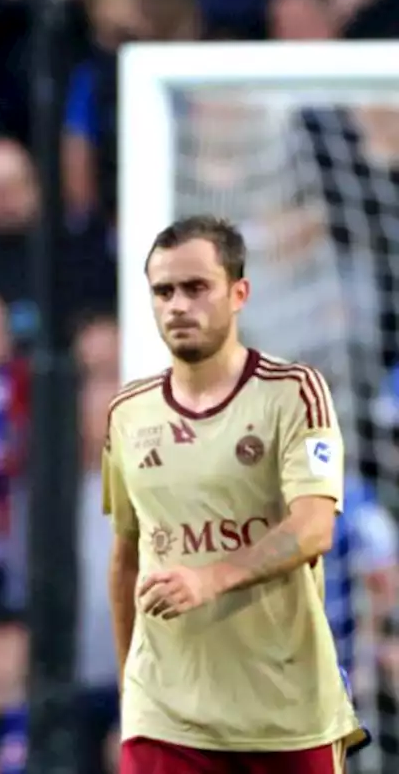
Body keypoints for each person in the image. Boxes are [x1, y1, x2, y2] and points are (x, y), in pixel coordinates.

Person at [104, 215, 366, 773]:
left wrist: (208, 578)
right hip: (167, 715)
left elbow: (315, 528)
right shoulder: (127, 413)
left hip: (285, 712)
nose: (177, 305)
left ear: (239, 292)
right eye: (163, 291)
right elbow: (127, 557)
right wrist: (133, 695)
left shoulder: (294, 393)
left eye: (196, 287)